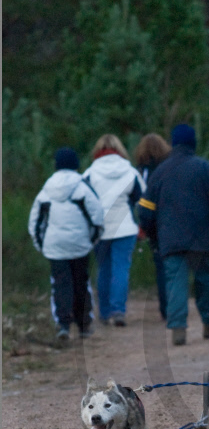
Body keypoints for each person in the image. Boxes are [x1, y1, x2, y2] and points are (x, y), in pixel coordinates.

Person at [138, 123, 209, 346]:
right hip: (202, 238)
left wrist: (154, 236)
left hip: (170, 240)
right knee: (204, 280)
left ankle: (178, 329)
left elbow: (145, 211)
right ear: (193, 143)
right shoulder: (205, 168)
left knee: (174, 283)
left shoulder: (159, 173)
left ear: (172, 144)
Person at [28, 147, 104, 341]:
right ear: (76, 165)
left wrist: (42, 246)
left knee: (60, 285)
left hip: (55, 247)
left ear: (56, 165)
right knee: (81, 284)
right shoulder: (83, 187)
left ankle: (63, 325)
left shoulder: (46, 190)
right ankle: (84, 325)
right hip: (80, 245)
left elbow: (35, 222)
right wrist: (92, 241)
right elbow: (97, 217)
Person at [83, 134, 145, 327]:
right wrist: (142, 227)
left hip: (99, 230)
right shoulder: (130, 171)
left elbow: (83, 202)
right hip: (126, 228)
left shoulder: (90, 174)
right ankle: (119, 311)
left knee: (103, 270)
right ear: (119, 149)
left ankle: (104, 313)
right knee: (121, 269)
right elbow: (143, 201)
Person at [134, 133, 171, 321]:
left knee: (161, 266)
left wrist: (144, 225)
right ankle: (174, 305)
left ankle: (166, 308)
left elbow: (141, 201)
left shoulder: (142, 171)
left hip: (154, 224)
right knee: (174, 266)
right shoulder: (169, 168)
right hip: (172, 222)